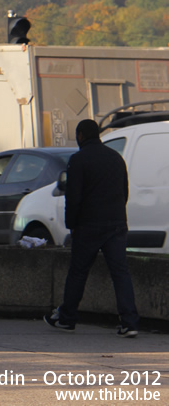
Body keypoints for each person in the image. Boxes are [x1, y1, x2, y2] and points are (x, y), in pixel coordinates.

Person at [45, 119, 140, 337]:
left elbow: (74, 196)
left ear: (80, 136)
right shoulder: (116, 158)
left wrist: (72, 225)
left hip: (88, 225)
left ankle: (67, 318)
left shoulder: (78, 160)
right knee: (120, 273)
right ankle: (130, 322)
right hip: (116, 223)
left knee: (78, 272)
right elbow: (124, 191)